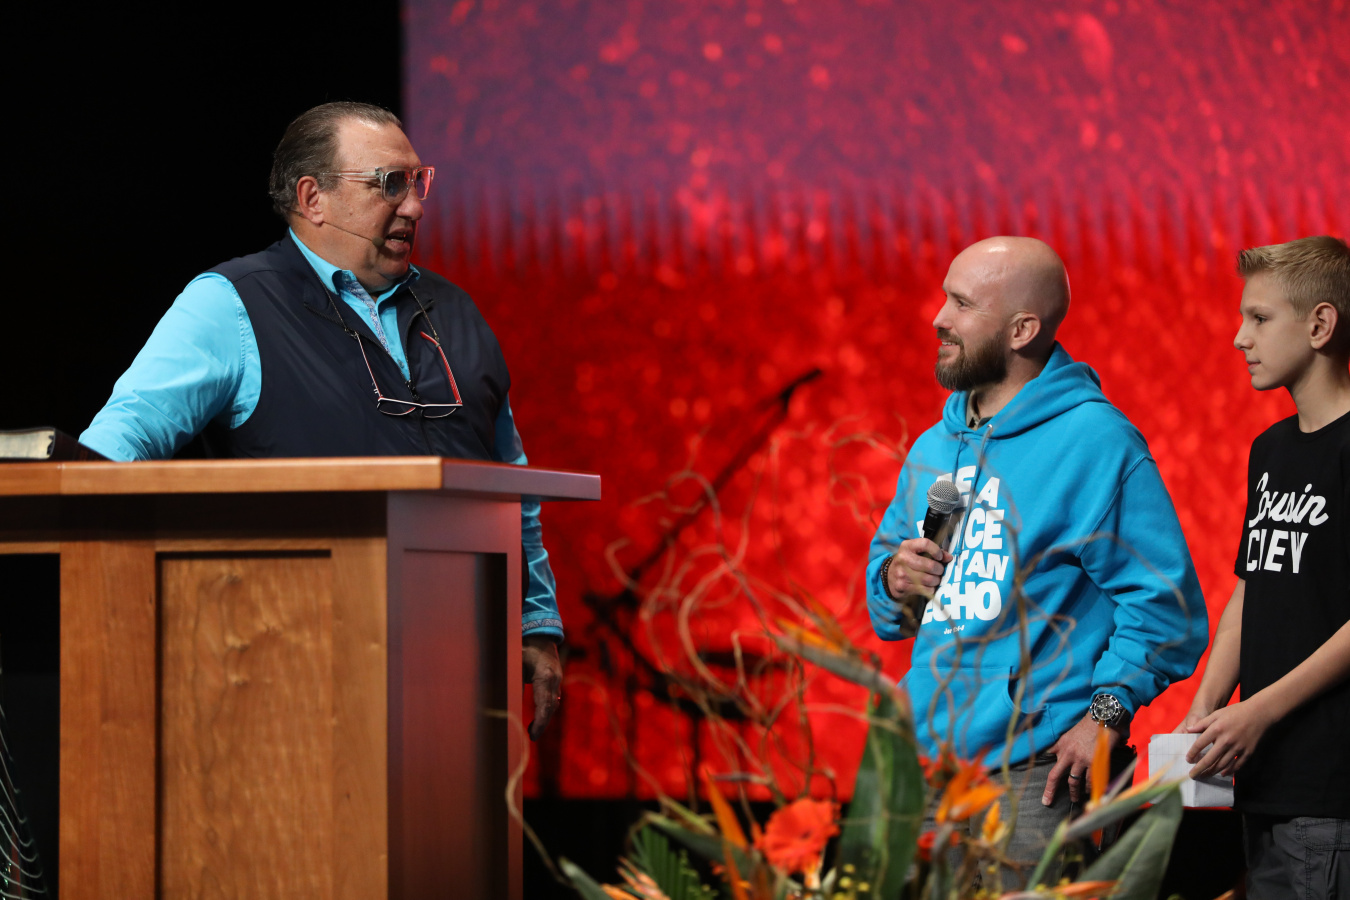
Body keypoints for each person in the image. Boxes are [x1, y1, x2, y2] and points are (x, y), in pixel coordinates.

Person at [80, 101, 564, 739]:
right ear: (313, 198)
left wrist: (535, 623)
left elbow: (512, 487)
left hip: (463, 675)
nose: (415, 207)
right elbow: (113, 451)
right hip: (293, 679)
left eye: (418, 182)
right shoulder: (230, 305)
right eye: (390, 184)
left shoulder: (457, 313)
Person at [866, 236, 1208, 875]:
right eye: (945, 298)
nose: (938, 318)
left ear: (1022, 329)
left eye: (962, 304)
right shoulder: (933, 447)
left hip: (1036, 775)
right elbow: (888, 608)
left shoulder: (1097, 441)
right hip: (929, 769)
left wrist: (1106, 714)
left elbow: (1167, 609)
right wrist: (894, 578)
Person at [1175, 236, 1349, 899]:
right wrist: (1206, 708)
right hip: (1262, 777)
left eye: (1260, 317)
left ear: (1320, 324)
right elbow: (1252, 590)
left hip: (1329, 786)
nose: (1239, 337)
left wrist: (1260, 711)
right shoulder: (1270, 448)